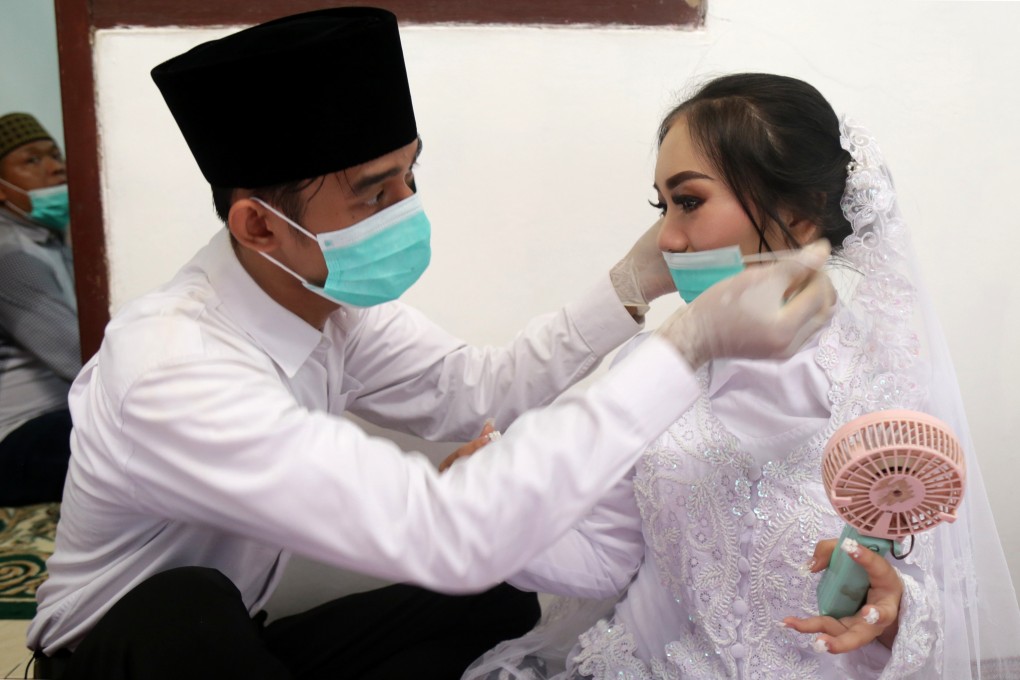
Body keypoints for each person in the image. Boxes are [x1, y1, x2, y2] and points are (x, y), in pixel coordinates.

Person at [24, 11, 835, 680]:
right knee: (187, 611)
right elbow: (450, 534)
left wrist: (635, 283)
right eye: (374, 193)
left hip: (241, 631)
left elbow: (477, 390)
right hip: (125, 655)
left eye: (410, 176)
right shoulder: (170, 369)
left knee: (499, 601)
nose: (405, 210)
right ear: (260, 225)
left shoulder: (329, 299)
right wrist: (686, 346)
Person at [463, 73, 1020, 680]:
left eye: (690, 202)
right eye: (663, 205)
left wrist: (895, 611)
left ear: (801, 217)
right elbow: (607, 556)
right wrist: (492, 514)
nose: (667, 240)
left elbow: (936, 601)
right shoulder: (656, 372)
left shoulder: (889, 389)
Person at [0, 111, 78, 506]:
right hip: (14, 440)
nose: (54, 168)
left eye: (54, 155)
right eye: (31, 160)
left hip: (53, 418)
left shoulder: (51, 239)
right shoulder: (9, 254)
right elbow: (78, 357)